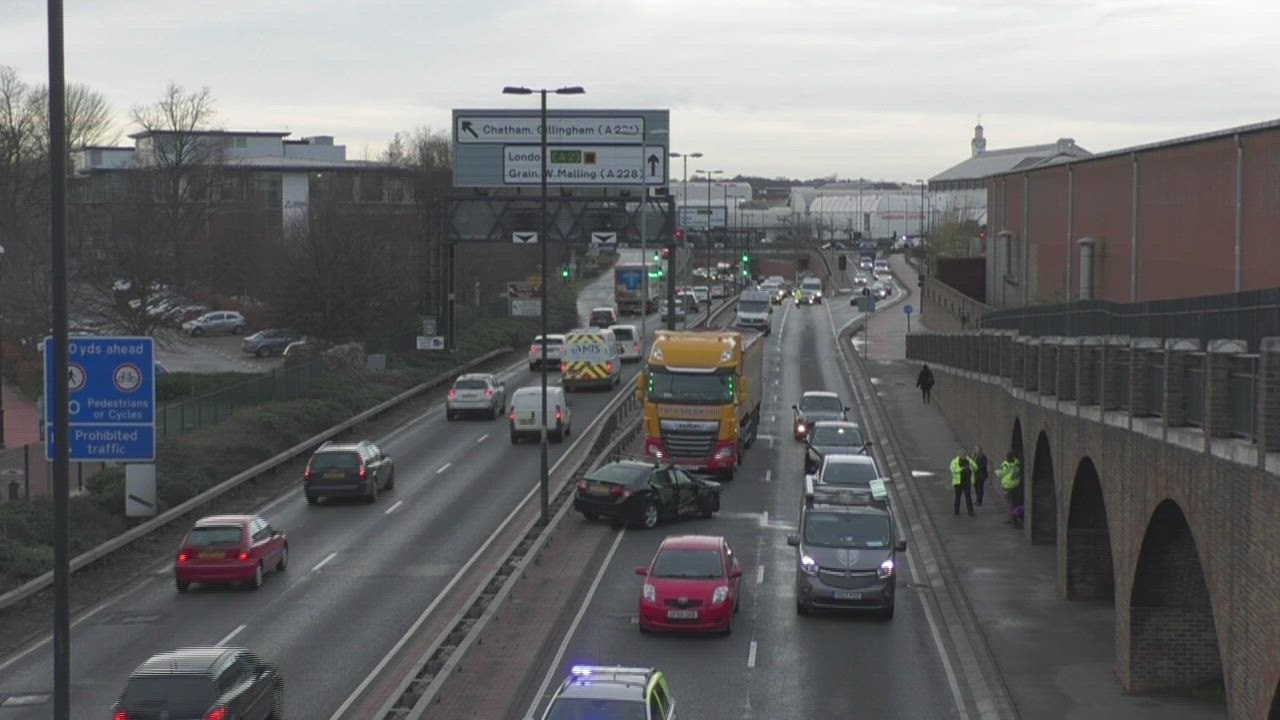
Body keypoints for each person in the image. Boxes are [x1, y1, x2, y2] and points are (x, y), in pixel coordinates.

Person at [998, 452, 1023, 527]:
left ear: (1007, 457)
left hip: (1007, 486)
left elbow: (1001, 473)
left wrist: (996, 472)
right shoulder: (1016, 463)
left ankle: (1012, 519)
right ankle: (1014, 518)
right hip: (1016, 485)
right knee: (1014, 502)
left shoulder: (1005, 464)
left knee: (1009, 503)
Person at [950, 448, 975, 517]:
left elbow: (975, 467)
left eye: (965, 454)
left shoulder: (969, 460)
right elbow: (953, 470)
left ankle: (971, 511)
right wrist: (961, 469)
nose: (964, 456)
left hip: (967, 481)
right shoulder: (954, 461)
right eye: (963, 455)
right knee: (957, 497)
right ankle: (956, 511)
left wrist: (971, 466)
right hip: (958, 482)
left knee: (968, 497)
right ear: (959, 455)